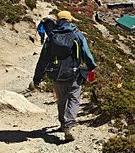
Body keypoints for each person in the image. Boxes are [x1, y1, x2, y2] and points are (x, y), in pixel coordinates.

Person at [29, 10, 96, 142]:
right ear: (70, 20)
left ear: (58, 21)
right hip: (74, 73)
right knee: (74, 99)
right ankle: (68, 125)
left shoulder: (51, 37)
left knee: (61, 99)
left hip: (56, 74)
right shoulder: (77, 35)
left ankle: (62, 123)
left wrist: (37, 79)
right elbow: (86, 54)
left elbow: (43, 60)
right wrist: (91, 67)